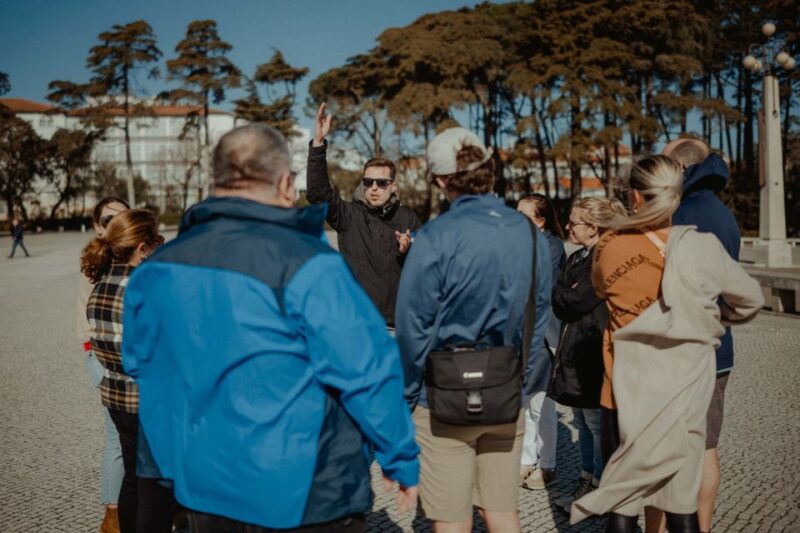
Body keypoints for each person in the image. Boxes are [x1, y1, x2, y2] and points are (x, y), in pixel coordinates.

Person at [120, 124, 419, 532]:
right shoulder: (310, 264)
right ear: (284, 184)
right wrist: (399, 456)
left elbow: (139, 364)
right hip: (306, 490)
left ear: (215, 181)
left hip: (208, 485)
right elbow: (367, 370)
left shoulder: (153, 270)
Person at [569, 155, 764, 533]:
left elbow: (597, 288)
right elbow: (750, 300)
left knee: (622, 503)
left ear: (637, 197)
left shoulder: (612, 245)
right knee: (681, 503)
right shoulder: (699, 245)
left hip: (625, 386)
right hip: (682, 389)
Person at [397, 127, 552, 533]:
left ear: (442, 180)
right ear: (488, 170)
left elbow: (413, 327)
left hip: (443, 393)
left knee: (451, 518)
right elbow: (538, 314)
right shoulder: (529, 235)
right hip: (506, 385)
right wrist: (522, 374)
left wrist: (408, 396)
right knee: (502, 512)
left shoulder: (435, 236)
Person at [662, 138, 740, 533]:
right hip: (717, 347)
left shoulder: (682, 215)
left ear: (679, 169)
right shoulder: (721, 213)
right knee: (707, 447)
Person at [82, 209, 170, 533]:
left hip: (117, 400)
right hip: (148, 400)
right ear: (143, 247)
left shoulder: (99, 287)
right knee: (156, 489)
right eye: (157, 241)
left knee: (133, 479)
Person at [306, 103, 420, 327]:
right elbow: (317, 193)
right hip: (357, 323)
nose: (374, 188)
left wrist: (408, 252)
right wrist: (318, 144)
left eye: (381, 183)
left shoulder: (410, 219)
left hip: (398, 326)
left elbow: (425, 271)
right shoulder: (348, 215)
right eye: (368, 182)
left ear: (393, 186)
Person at [547, 198, 624, 511]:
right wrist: (564, 291)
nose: (568, 226)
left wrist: (562, 291)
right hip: (575, 347)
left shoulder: (604, 257)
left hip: (594, 349)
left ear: (593, 227)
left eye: (574, 222)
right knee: (581, 420)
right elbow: (565, 296)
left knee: (594, 423)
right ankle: (586, 478)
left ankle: (601, 488)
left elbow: (572, 301)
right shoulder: (579, 255)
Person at [77, 196, 129, 533]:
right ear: (98, 225)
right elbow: (86, 328)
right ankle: (112, 516)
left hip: (129, 363)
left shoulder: (133, 256)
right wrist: (98, 372)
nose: (115, 223)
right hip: (102, 359)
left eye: (123, 217)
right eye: (109, 218)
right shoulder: (94, 264)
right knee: (115, 441)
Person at [516, 194, 566, 490]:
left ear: (540, 220)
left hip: (544, 336)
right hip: (519, 335)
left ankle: (548, 465)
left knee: (542, 404)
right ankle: (526, 459)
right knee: (523, 401)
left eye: (523, 215)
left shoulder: (551, 245)